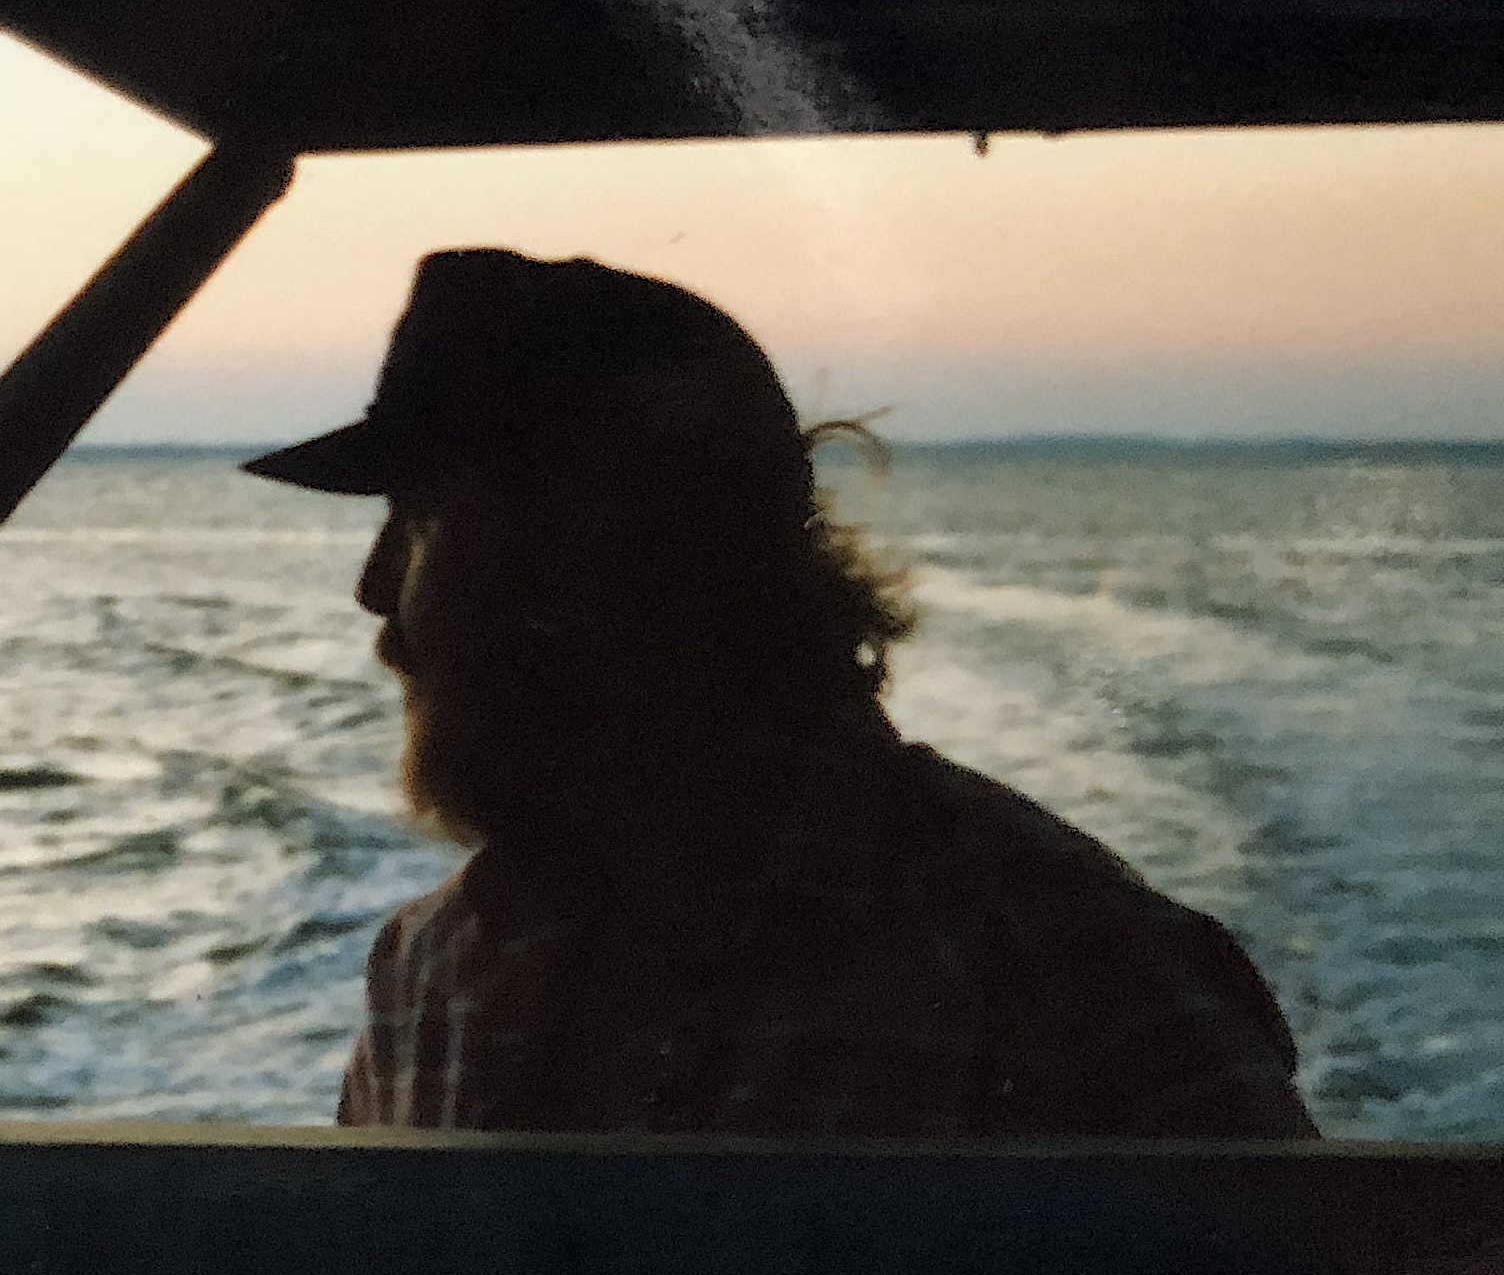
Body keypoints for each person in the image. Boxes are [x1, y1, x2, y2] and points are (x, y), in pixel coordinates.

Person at [243, 247, 1315, 1140]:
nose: (373, 590)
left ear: (608, 554)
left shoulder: (1062, 966)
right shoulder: (429, 969)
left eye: (423, 521)